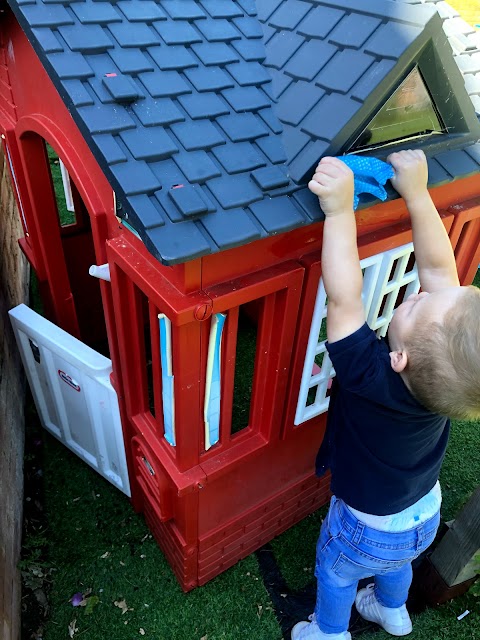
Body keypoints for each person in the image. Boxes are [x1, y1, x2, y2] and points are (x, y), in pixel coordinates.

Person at [291, 149, 480, 640]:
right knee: (396, 562)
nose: (418, 292)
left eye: (416, 306)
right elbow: (441, 272)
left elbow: (344, 295)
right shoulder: (444, 383)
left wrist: (338, 211)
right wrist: (417, 194)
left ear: (400, 359)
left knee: (336, 573)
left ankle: (329, 632)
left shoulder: (367, 374)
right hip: (422, 514)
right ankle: (391, 609)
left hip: (364, 527)